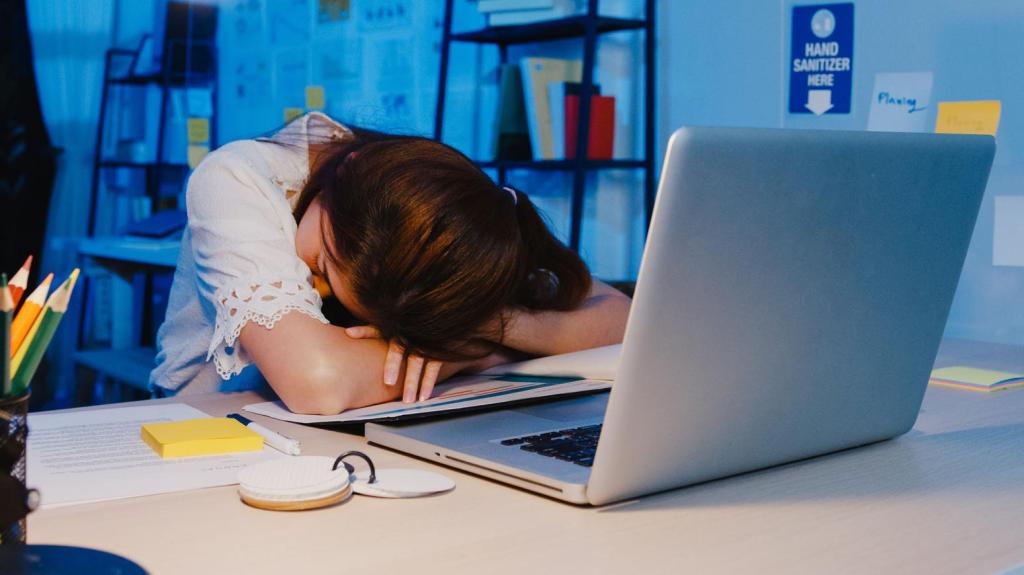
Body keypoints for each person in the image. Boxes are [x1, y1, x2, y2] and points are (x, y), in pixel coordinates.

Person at [150, 112, 631, 414]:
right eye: (321, 266)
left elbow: (627, 322)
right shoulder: (235, 177)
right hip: (205, 425)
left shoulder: (427, 215)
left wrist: (469, 331)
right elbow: (319, 384)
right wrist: (465, 353)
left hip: (344, 430)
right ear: (352, 164)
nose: (314, 291)